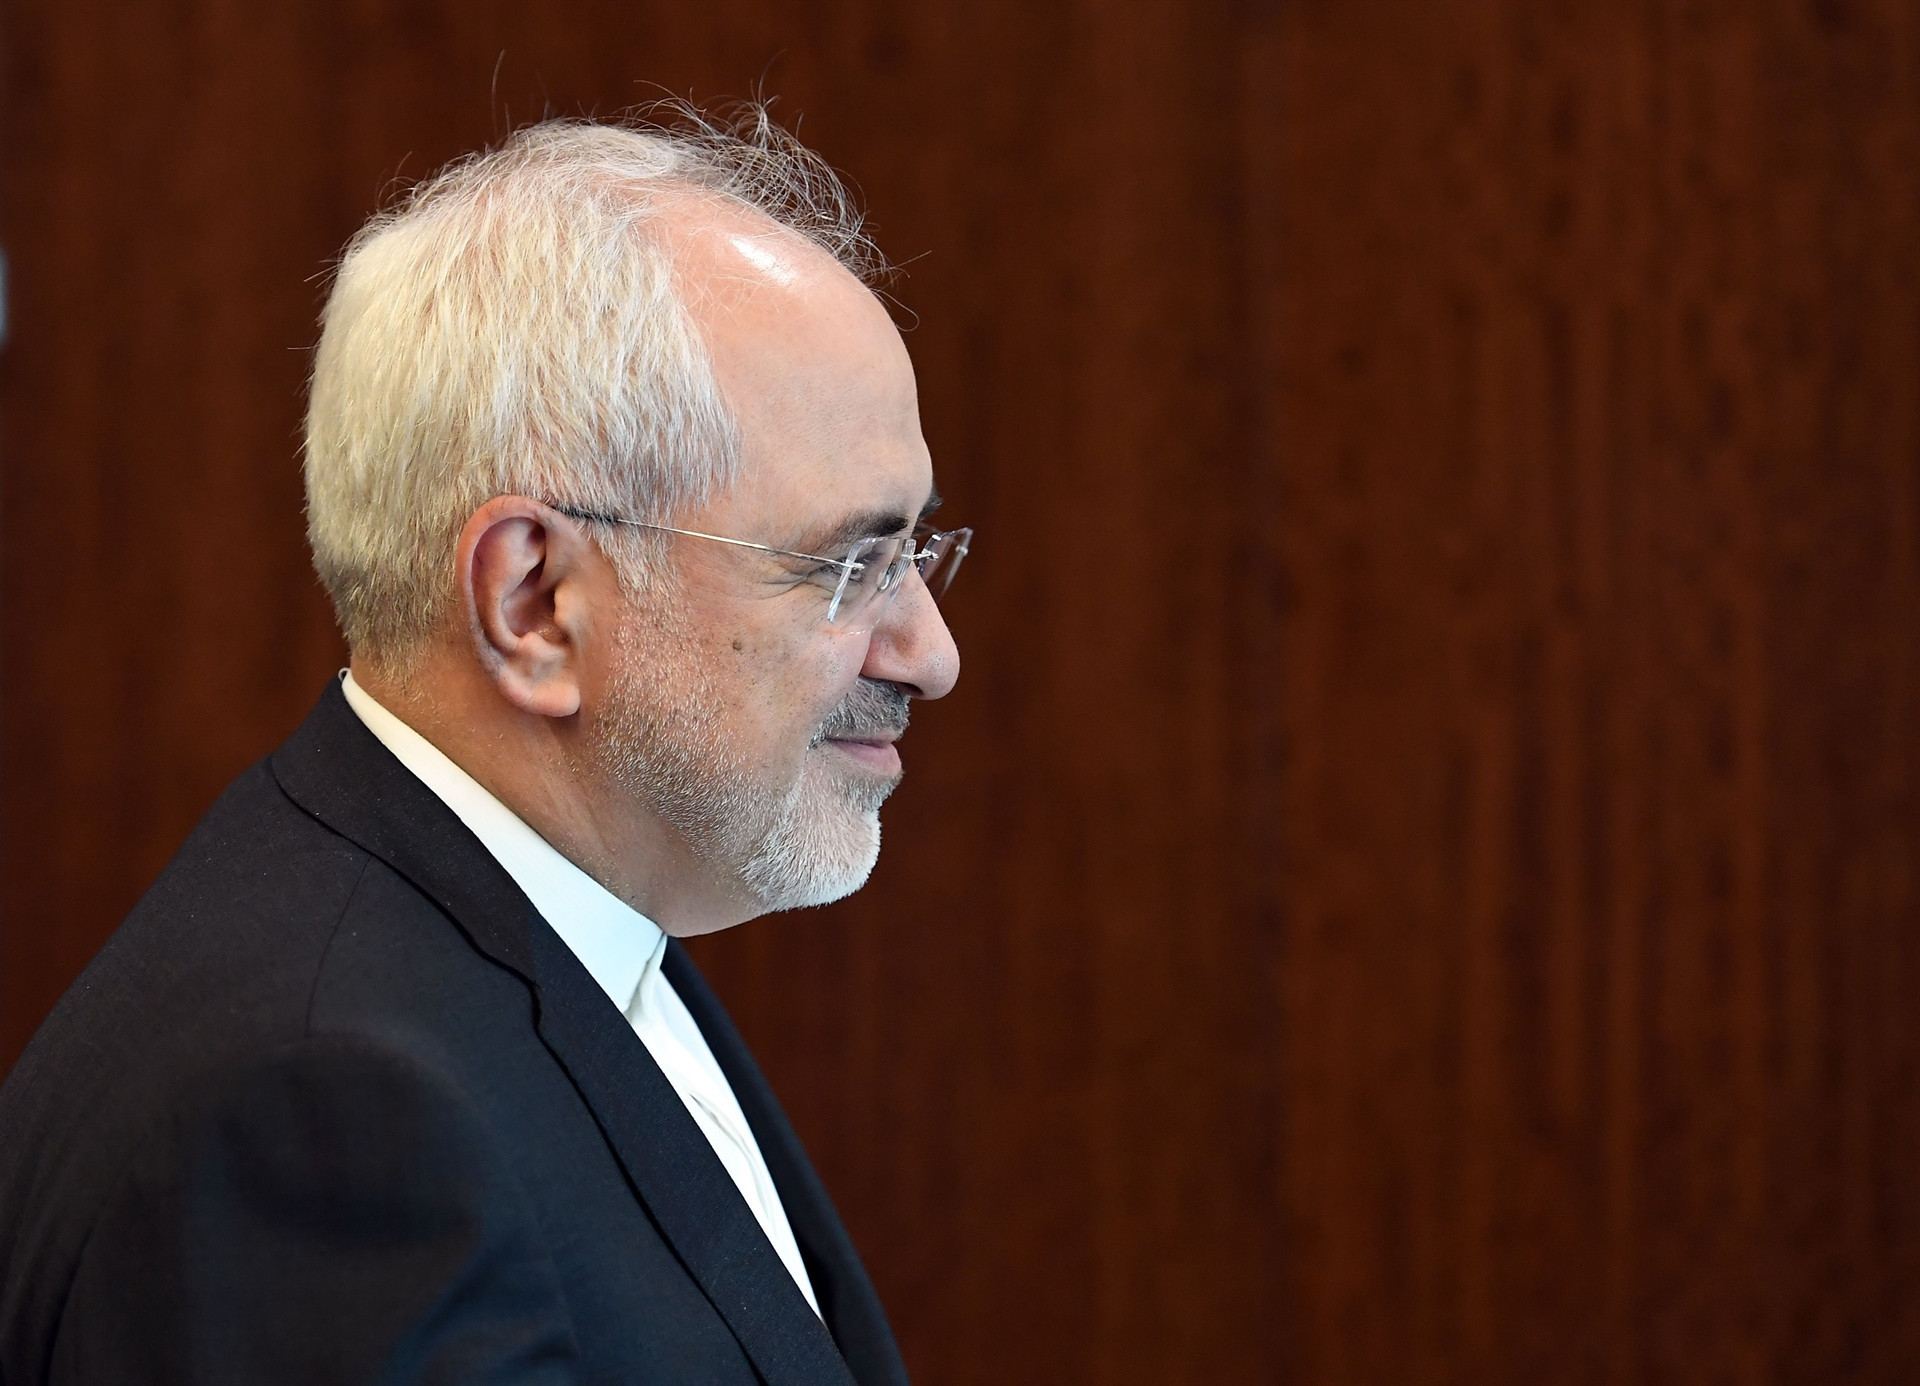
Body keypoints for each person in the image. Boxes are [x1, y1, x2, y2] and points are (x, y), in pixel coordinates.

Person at [0, 106, 966, 1385]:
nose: (932, 653)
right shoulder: (328, 1113)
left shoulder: (557, 920)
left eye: (917, 552)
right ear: (535, 603)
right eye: (849, 565)